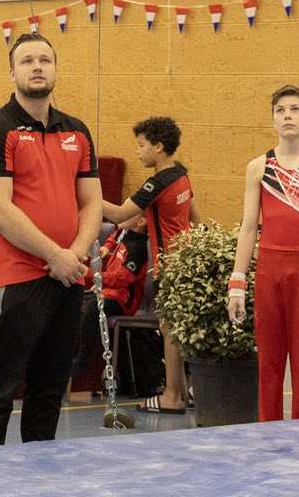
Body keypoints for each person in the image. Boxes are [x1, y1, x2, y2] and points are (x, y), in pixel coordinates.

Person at [0, 33, 101, 447]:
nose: (37, 66)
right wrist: (55, 255)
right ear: (12, 72)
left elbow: (93, 203)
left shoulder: (77, 132)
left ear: (56, 69)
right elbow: (0, 210)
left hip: (68, 277)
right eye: (27, 61)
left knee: (49, 389)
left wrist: (75, 255)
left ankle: (41, 477)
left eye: (45, 59)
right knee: (0, 389)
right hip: (18, 278)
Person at [226, 84, 299, 422]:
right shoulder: (259, 168)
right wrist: (237, 281)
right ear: (273, 120)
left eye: (295, 109)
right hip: (268, 268)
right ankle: (268, 428)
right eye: (281, 110)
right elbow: (249, 227)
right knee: (270, 359)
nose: (288, 116)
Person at [98, 116, 195, 413]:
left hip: (169, 264)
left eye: (141, 146)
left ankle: (172, 396)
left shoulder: (157, 182)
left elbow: (117, 215)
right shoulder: (181, 175)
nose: (137, 152)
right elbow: (194, 216)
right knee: (176, 329)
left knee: (170, 329)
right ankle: (181, 393)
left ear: (159, 146)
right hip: (185, 259)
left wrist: (86, 194)